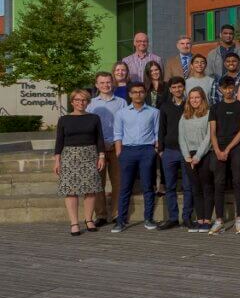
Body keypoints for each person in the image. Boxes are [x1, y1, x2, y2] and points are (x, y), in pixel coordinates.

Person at [54, 89, 105, 235]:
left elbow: (99, 138)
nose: (80, 103)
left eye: (83, 100)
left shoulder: (94, 118)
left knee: (90, 190)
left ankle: (89, 220)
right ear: (72, 102)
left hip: (90, 155)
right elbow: (59, 141)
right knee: (71, 191)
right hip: (69, 156)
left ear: (88, 102)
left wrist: (101, 156)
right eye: (77, 100)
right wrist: (57, 161)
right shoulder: (63, 120)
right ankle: (74, 223)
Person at [110, 83, 160, 233]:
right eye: (135, 92)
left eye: (141, 92)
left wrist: (154, 150)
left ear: (145, 94)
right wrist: (120, 152)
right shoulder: (121, 113)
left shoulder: (154, 112)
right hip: (128, 151)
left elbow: (157, 133)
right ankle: (121, 221)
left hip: (147, 150)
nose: (138, 94)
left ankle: (148, 218)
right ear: (130, 95)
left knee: (147, 186)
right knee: (125, 187)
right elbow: (118, 134)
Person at [208, 75, 240, 235]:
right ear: (220, 89)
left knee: (238, 181)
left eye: (231, 87)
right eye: (225, 88)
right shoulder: (215, 108)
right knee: (219, 183)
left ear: (235, 88)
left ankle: (239, 218)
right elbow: (212, 132)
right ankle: (219, 220)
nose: (228, 90)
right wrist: (218, 150)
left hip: (236, 147)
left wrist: (228, 149)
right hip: (219, 147)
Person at [86, 72, 126, 227]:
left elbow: (124, 125)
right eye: (102, 83)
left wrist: (117, 143)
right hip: (97, 149)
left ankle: (116, 214)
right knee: (98, 183)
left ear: (113, 83)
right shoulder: (91, 104)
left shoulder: (121, 103)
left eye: (108, 82)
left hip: (117, 147)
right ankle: (101, 215)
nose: (105, 85)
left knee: (118, 182)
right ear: (96, 85)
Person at [157, 77, 192, 230]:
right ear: (170, 89)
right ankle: (172, 218)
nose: (177, 89)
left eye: (180, 87)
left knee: (187, 186)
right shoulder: (164, 107)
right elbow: (161, 129)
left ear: (183, 88)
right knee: (170, 186)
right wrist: (161, 150)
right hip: (169, 151)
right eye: (174, 87)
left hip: (186, 151)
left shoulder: (190, 105)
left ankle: (187, 217)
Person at [179, 87, 214, 233]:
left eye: (197, 98)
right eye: (191, 98)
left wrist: (198, 156)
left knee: (206, 186)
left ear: (202, 99)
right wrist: (187, 156)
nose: (194, 100)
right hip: (188, 156)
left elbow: (209, 137)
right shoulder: (184, 116)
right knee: (196, 188)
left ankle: (207, 219)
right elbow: (182, 138)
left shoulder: (208, 114)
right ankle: (199, 219)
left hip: (204, 154)